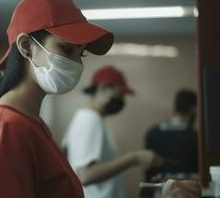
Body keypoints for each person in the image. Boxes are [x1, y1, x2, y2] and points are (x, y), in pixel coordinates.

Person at [0, 0, 114, 197]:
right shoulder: (6, 127)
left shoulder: (28, 123)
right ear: (26, 47)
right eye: (66, 48)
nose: (76, 63)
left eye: (81, 54)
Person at [62, 65, 165, 198]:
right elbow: (85, 175)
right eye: (120, 94)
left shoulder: (90, 119)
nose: (122, 100)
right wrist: (135, 158)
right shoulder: (90, 119)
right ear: (103, 88)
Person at [145, 89, 198, 182]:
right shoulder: (196, 136)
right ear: (193, 109)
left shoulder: (152, 133)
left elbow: (148, 170)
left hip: (158, 192)